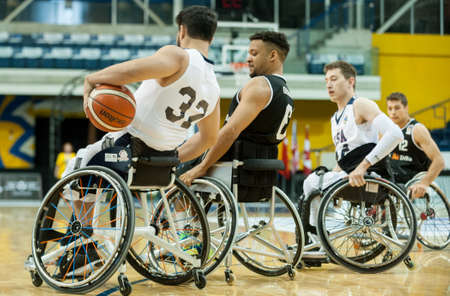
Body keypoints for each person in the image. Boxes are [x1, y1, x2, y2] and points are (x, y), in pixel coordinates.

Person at [62, 6, 221, 241]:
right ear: (212, 37)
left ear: (182, 30)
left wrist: (92, 79)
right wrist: (174, 157)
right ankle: (87, 239)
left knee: (75, 169)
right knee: (92, 166)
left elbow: (131, 72)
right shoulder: (214, 87)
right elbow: (208, 139)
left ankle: (81, 241)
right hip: (162, 165)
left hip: (129, 146)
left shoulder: (179, 56)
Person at [300, 61, 403, 240]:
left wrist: (363, 167)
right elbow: (345, 159)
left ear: (350, 81)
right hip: (348, 175)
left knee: (311, 182)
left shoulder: (360, 104)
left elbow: (395, 134)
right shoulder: (335, 118)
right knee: (312, 185)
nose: (328, 84)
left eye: (334, 79)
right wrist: (333, 173)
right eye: (326, 80)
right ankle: (313, 239)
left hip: (369, 175)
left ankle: (317, 241)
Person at [180, 31, 293, 185]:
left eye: (254, 53)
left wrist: (202, 167)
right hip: (261, 167)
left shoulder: (260, 84)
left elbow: (231, 131)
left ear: (273, 56)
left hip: (232, 164)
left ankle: (178, 210)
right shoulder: (285, 92)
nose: (248, 58)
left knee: (177, 173)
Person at [386, 92, 445, 198]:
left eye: (397, 108)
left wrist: (424, 183)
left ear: (406, 108)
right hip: (394, 177)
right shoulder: (386, 130)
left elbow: (439, 161)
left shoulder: (417, 130)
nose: (393, 112)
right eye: (390, 108)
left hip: (414, 177)